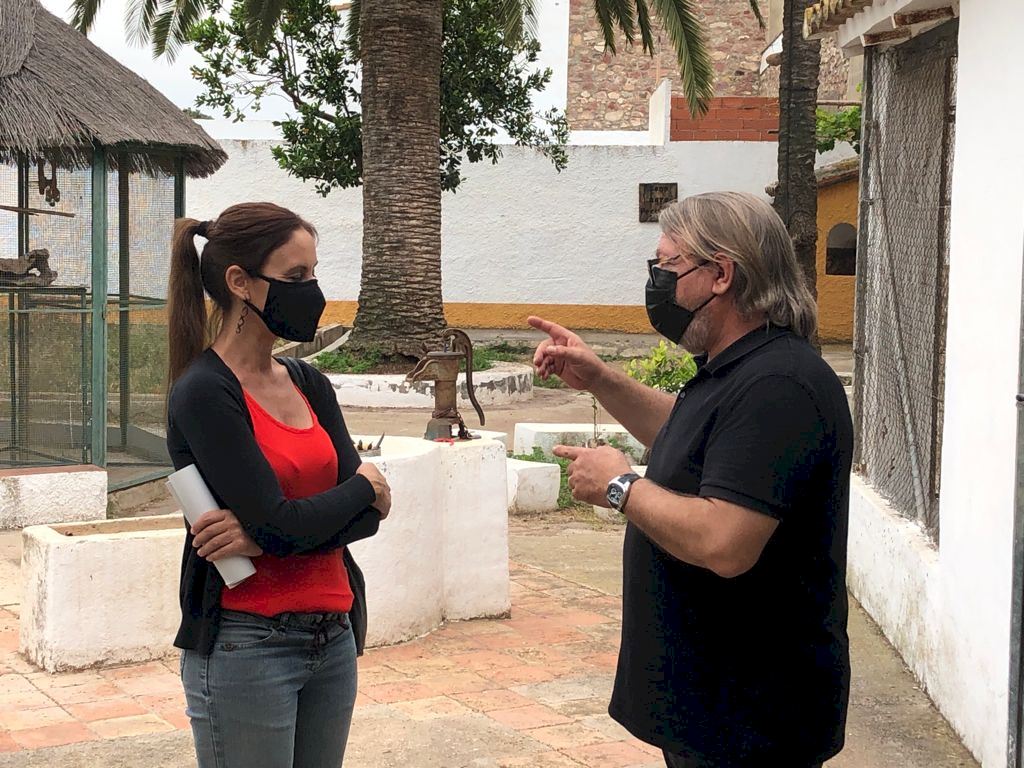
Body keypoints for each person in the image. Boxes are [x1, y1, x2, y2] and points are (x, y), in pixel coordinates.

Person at [530, 192, 852, 768]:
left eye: (667, 266)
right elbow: (690, 435)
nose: (656, 283)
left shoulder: (779, 385)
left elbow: (724, 543)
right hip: (715, 710)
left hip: (753, 720)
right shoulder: (740, 368)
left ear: (721, 274)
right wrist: (600, 378)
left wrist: (621, 486)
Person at [165, 202, 391, 768]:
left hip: (333, 637)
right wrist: (365, 487)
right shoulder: (205, 392)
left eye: (313, 273)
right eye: (296, 276)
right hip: (248, 645)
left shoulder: (310, 383)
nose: (312, 290)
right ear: (239, 282)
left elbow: (349, 524)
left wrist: (270, 534)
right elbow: (294, 520)